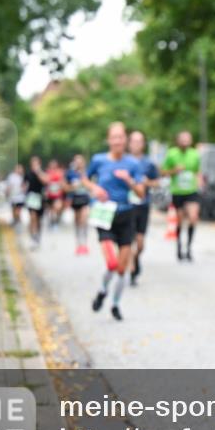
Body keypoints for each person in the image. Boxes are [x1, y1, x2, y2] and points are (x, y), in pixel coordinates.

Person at [84, 122, 145, 322]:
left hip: (126, 215)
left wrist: (129, 181)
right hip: (105, 215)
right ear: (109, 140)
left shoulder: (133, 164)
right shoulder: (98, 160)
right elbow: (85, 179)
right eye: (114, 137)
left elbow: (141, 192)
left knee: (121, 268)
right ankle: (102, 291)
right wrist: (95, 189)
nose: (118, 141)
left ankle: (115, 304)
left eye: (121, 137)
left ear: (125, 140)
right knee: (111, 262)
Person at [161, 131, 202, 261]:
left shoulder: (195, 154)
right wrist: (174, 171)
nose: (185, 141)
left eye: (187, 139)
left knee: (193, 217)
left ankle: (188, 248)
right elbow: (163, 171)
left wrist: (199, 181)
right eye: (182, 139)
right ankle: (179, 246)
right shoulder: (171, 153)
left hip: (191, 190)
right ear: (178, 140)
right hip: (177, 191)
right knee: (179, 220)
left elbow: (197, 171)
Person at [128, 130, 160, 286]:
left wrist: (148, 183)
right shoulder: (124, 161)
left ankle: (135, 259)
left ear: (143, 144)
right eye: (133, 141)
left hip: (143, 205)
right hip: (127, 206)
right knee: (128, 240)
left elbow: (157, 182)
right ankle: (132, 269)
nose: (136, 144)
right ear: (129, 143)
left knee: (140, 244)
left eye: (139, 141)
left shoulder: (148, 163)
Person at [65, 155, 91, 255]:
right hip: (75, 199)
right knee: (77, 221)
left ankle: (84, 243)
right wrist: (72, 187)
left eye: (80, 161)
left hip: (85, 198)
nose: (79, 163)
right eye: (77, 161)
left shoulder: (87, 172)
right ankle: (78, 243)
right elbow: (65, 187)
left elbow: (92, 185)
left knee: (84, 219)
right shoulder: (70, 173)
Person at [24, 156, 48, 249]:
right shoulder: (28, 174)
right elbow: (24, 185)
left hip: (40, 197)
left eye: (36, 164)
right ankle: (33, 237)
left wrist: (38, 172)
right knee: (32, 217)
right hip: (31, 197)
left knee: (38, 219)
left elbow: (46, 181)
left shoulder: (42, 173)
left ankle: (38, 236)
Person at [44, 159, 65, 229]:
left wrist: (60, 185)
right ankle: (52, 222)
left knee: (57, 208)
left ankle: (56, 221)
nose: (53, 166)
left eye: (54, 164)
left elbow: (62, 181)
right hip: (49, 195)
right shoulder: (47, 172)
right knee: (51, 210)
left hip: (57, 195)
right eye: (51, 164)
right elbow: (46, 181)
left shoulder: (60, 172)